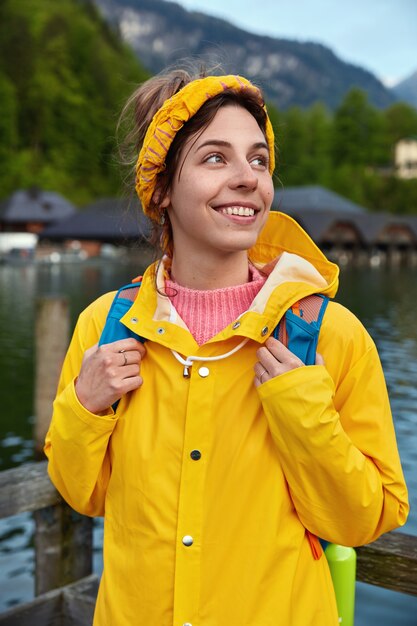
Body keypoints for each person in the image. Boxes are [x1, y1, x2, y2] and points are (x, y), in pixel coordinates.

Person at [45, 68, 409, 626]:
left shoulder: (331, 336)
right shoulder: (105, 326)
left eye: (259, 159)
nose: (248, 179)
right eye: (215, 158)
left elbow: (366, 520)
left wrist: (301, 411)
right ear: (161, 188)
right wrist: (84, 407)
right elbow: (82, 494)